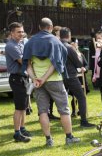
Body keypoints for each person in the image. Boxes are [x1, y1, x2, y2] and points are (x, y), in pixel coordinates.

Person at [23, 18, 81, 146]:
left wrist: (35, 79)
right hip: (54, 80)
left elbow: (27, 64)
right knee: (64, 110)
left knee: (42, 111)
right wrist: (44, 78)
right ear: (51, 27)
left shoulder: (30, 42)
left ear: (39, 26)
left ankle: (49, 140)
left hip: (38, 82)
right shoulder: (55, 41)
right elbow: (56, 63)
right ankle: (69, 137)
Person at [59, 27, 95, 128]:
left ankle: (64, 120)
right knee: (81, 97)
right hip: (70, 76)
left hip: (58, 76)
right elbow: (78, 63)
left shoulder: (56, 46)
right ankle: (83, 121)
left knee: (62, 99)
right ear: (69, 35)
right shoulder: (69, 48)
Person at [5, 22, 32, 143]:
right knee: (19, 107)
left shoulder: (21, 43)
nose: (21, 34)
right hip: (16, 78)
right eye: (18, 32)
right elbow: (23, 61)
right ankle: (17, 133)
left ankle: (22, 128)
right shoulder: (11, 45)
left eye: (22, 31)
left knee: (24, 106)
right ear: (12, 33)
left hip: (24, 78)